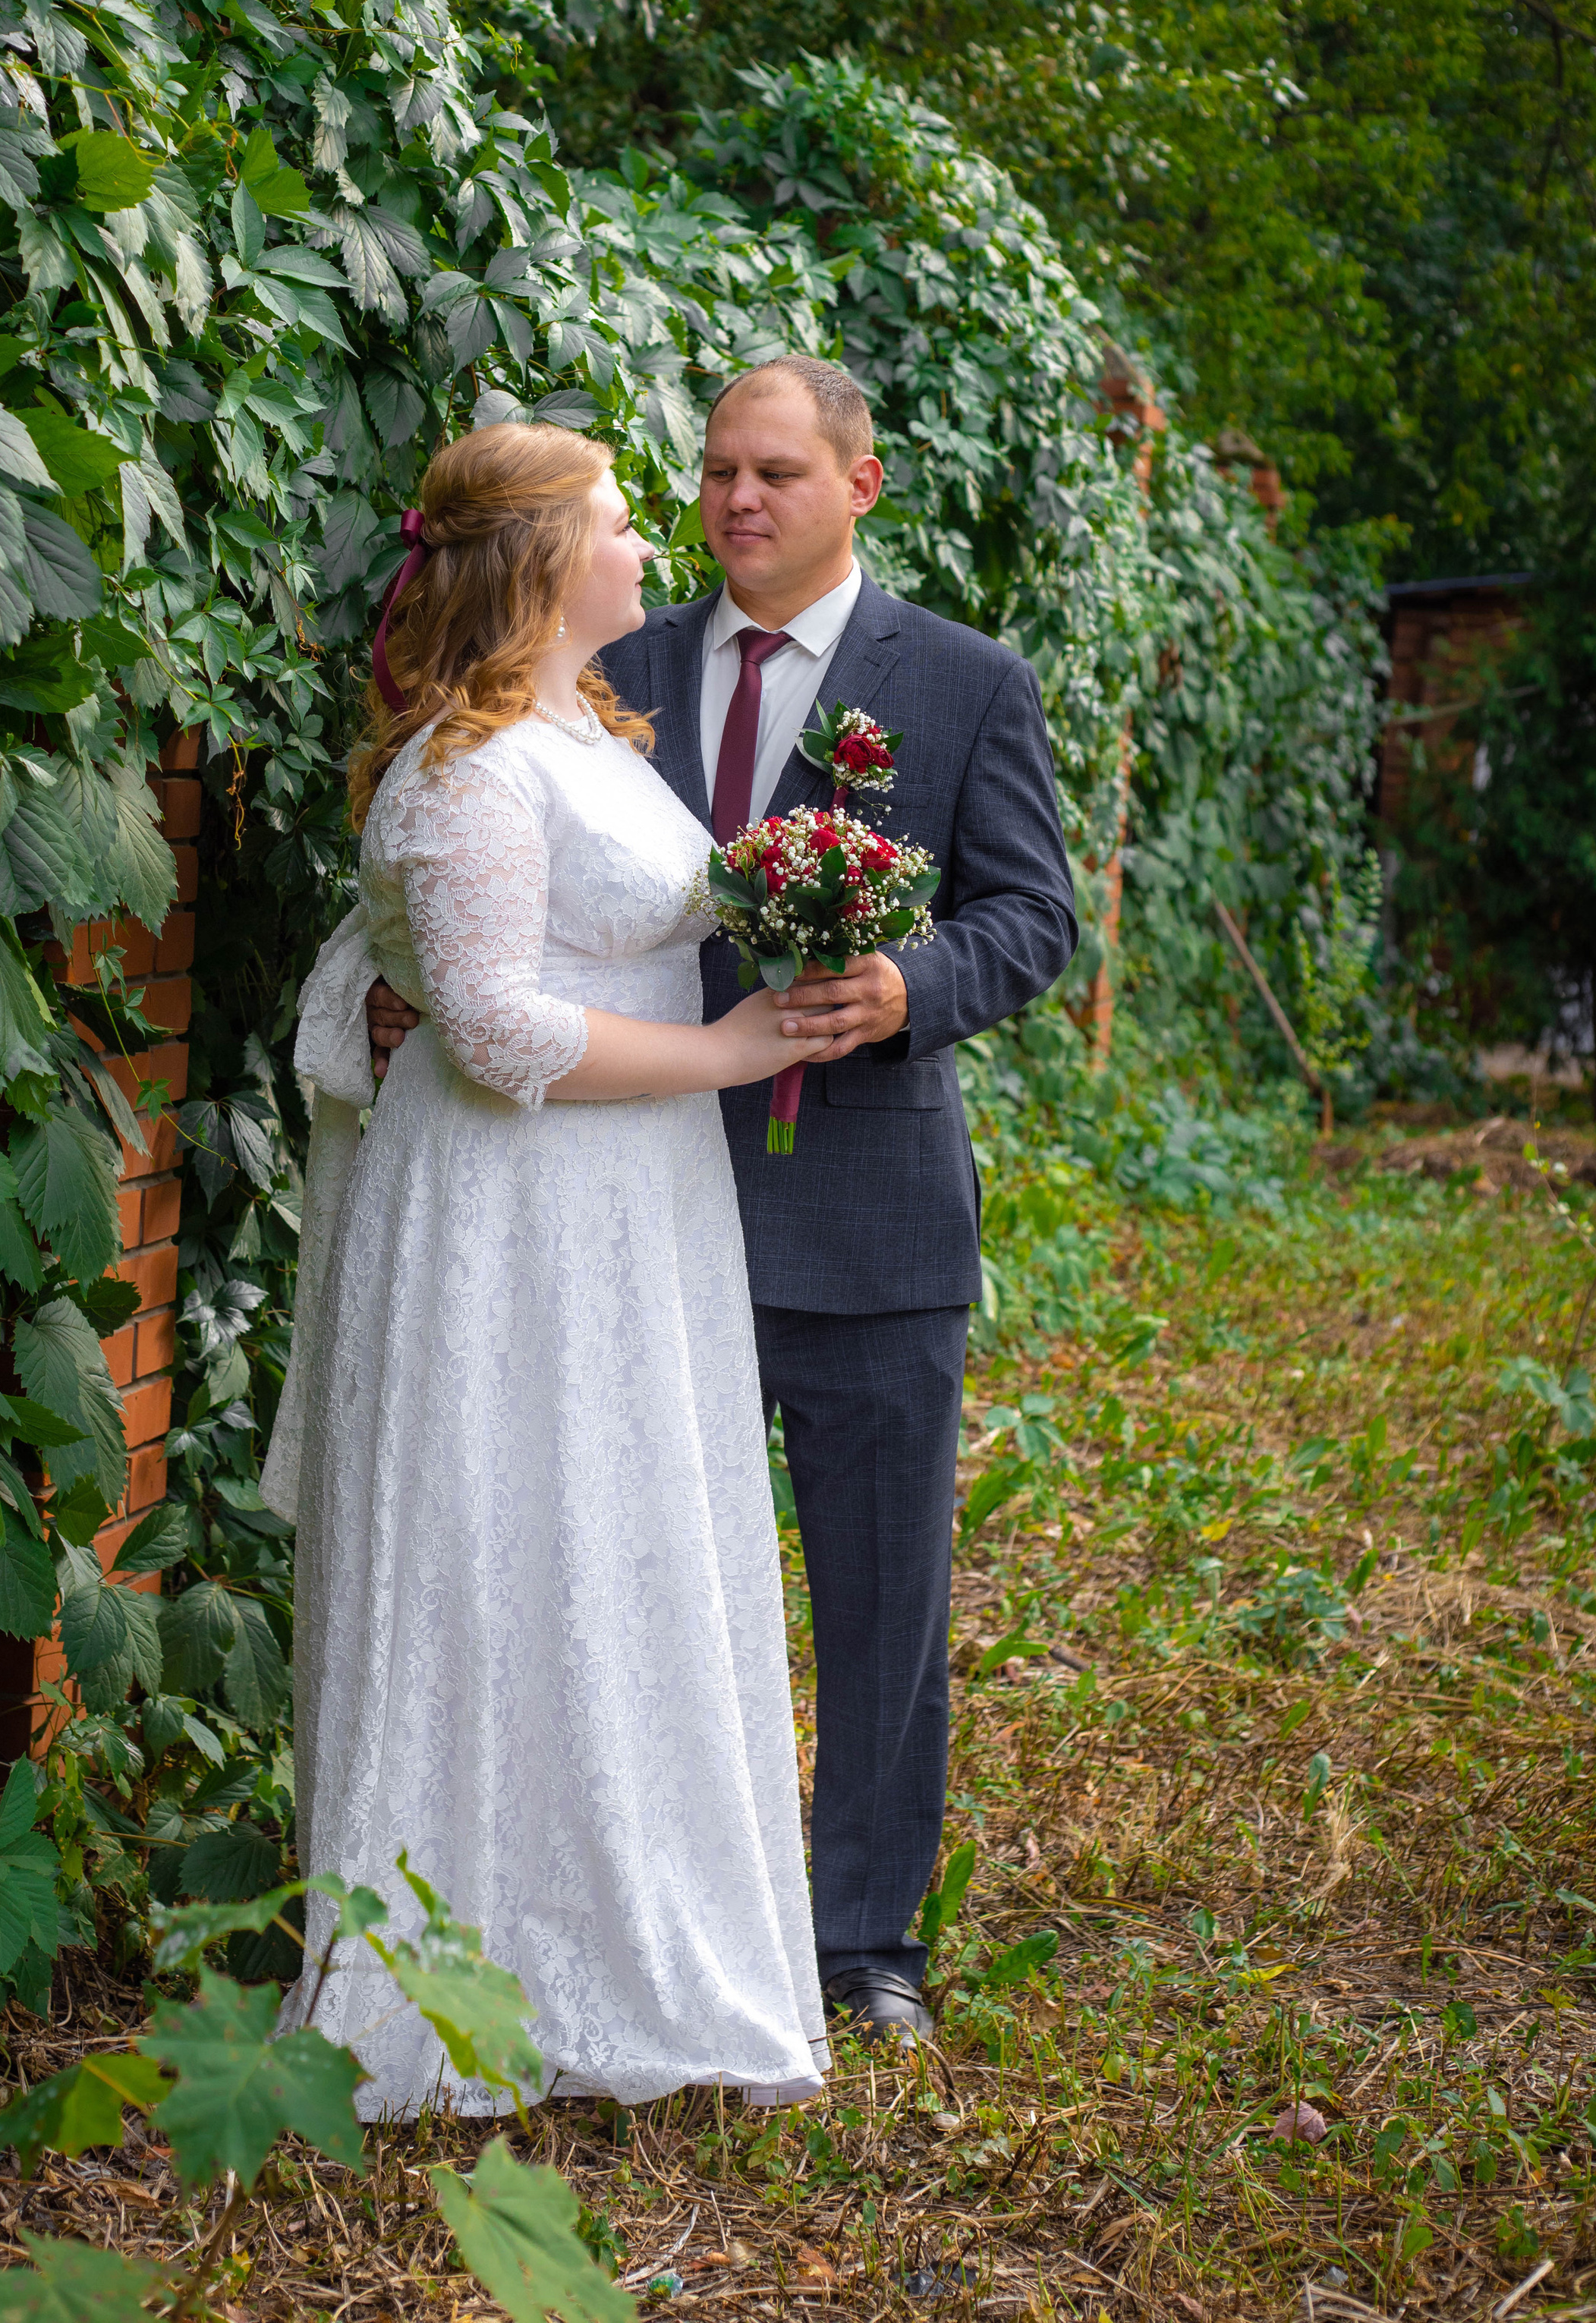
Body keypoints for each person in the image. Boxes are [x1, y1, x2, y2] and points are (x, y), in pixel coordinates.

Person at [370, 358, 1078, 2041]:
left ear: (860, 484)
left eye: (772, 472)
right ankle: (661, 1912)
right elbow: (492, 882)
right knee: (632, 1576)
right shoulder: (608, 659)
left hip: (867, 1208)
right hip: (608, 1217)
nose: (735, 501)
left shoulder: (963, 683)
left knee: (879, 1596)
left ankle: (858, 1944)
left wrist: (909, 985)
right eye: (709, 475)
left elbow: (1033, 917)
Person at [261, 419, 861, 2117]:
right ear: (534, 559)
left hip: (628, 1214)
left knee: (617, 1543)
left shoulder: (580, 736)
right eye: (615, 521)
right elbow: (496, 1026)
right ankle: (459, 1968)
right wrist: (739, 1055)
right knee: (504, 1544)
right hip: (507, 1224)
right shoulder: (465, 770)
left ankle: (622, 1918)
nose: (649, 547)